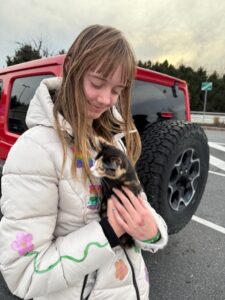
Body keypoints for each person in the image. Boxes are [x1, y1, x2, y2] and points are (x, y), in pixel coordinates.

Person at [0, 24, 168, 300]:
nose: (106, 99)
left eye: (117, 90)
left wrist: (151, 231)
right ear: (73, 70)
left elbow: (140, 204)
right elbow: (24, 273)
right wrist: (108, 232)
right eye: (98, 83)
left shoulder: (111, 143)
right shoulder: (34, 151)